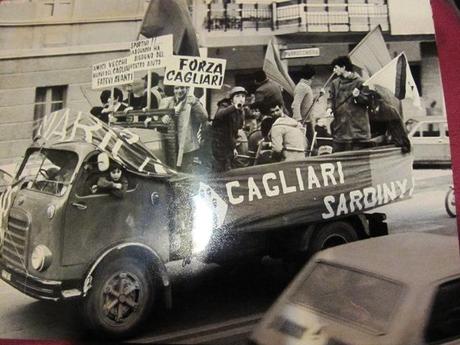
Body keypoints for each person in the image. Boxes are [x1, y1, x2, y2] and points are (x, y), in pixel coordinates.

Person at [327, 56, 371, 152]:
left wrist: (358, 96)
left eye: (336, 67)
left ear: (343, 67)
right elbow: (331, 98)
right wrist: (329, 108)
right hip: (340, 128)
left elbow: (368, 100)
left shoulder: (360, 82)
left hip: (358, 129)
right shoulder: (335, 83)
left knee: (358, 158)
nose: (334, 70)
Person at [160, 86, 208, 172]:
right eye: (176, 88)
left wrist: (195, 103)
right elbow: (157, 117)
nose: (179, 91)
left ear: (187, 89)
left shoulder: (192, 101)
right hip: (170, 145)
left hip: (187, 146)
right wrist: (163, 118)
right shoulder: (167, 101)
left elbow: (204, 117)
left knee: (186, 173)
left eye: (182, 88)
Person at [211, 86, 247, 172]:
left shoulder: (240, 110)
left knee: (228, 169)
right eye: (237, 96)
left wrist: (233, 148)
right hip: (218, 145)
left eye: (243, 96)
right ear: (231, 99)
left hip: (228, 145)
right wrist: (234, 107)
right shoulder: (224, 106)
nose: (241, 99)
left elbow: (234, 130)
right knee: (219, 170)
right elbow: (219, 115)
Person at [292, 64, 316, 143]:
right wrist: (298, 121)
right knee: (306, 145)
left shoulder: (305, 86)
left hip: (307, 121)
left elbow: (307, 101)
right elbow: (295, 104)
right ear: (312, 76)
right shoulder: (302, 87)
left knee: (311, 143)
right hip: (303, 122)